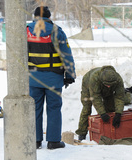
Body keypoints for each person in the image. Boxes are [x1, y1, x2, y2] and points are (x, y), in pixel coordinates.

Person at [27, 6, 76, 149]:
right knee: (54, 108)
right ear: (49, 17)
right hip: (54, 79)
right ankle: (53, 141)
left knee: (35, 108)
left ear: (35, 16)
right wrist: (70, 75)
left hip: (33, 79)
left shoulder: (26, 31)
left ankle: (35, 140)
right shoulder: (57, 32)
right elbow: (67, 55)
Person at [75, 65, 125, 140]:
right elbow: (95, 98)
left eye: (110, 85)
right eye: (107, 85)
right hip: (88, 85)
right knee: (87, 107)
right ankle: (82, 133)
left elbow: (119, 97)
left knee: (111, 108)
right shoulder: (94, 79)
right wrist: (102, 113)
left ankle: (108, 131)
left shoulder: (118, 79)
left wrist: (118, 113)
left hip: (104, 87)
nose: (108, 86)